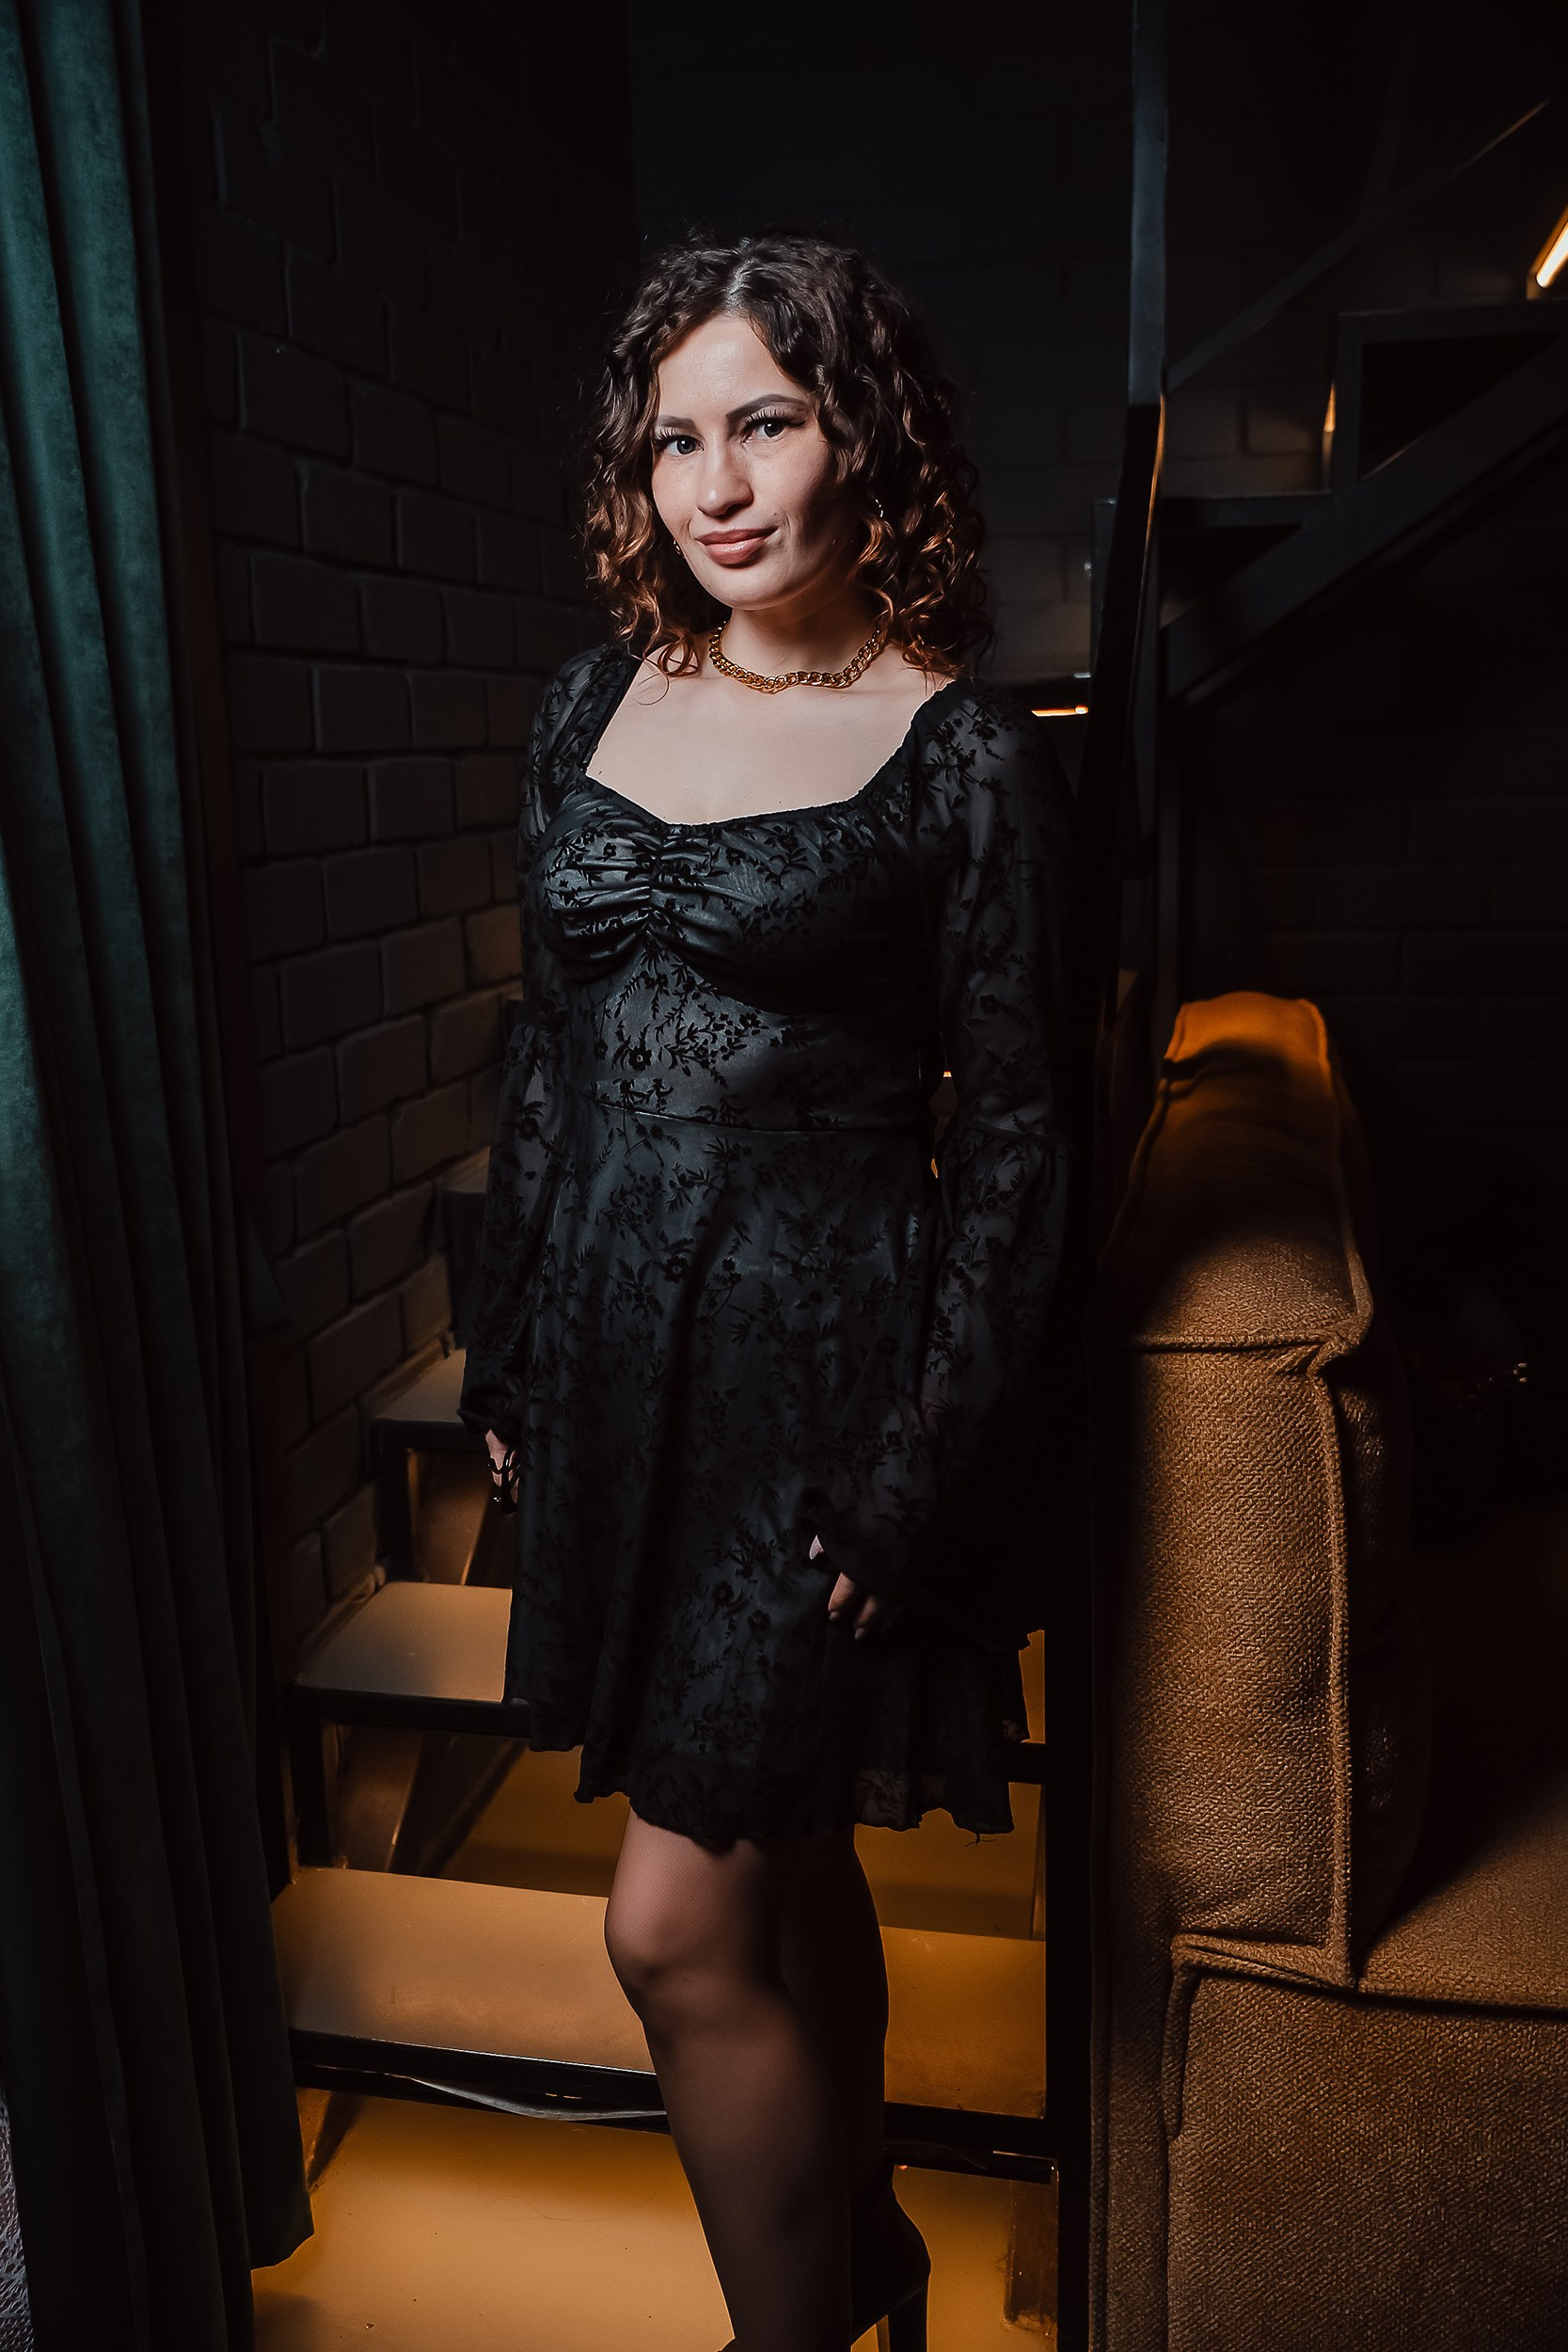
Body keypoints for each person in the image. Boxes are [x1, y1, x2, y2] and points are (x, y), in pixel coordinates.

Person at [457, 233, 1072, 2352]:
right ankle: (869, 2243)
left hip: (823, 1385)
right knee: (788, 1858)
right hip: (625, 1368)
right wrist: (513, 1341)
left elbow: (1021, 1145)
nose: (715, 486)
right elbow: (551, 1057)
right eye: (675, 440)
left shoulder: (966, 755)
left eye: (768, 424)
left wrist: (922, 1471)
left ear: (864, 438)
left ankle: (793, 2326)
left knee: (672, 1922)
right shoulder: (587, 704)